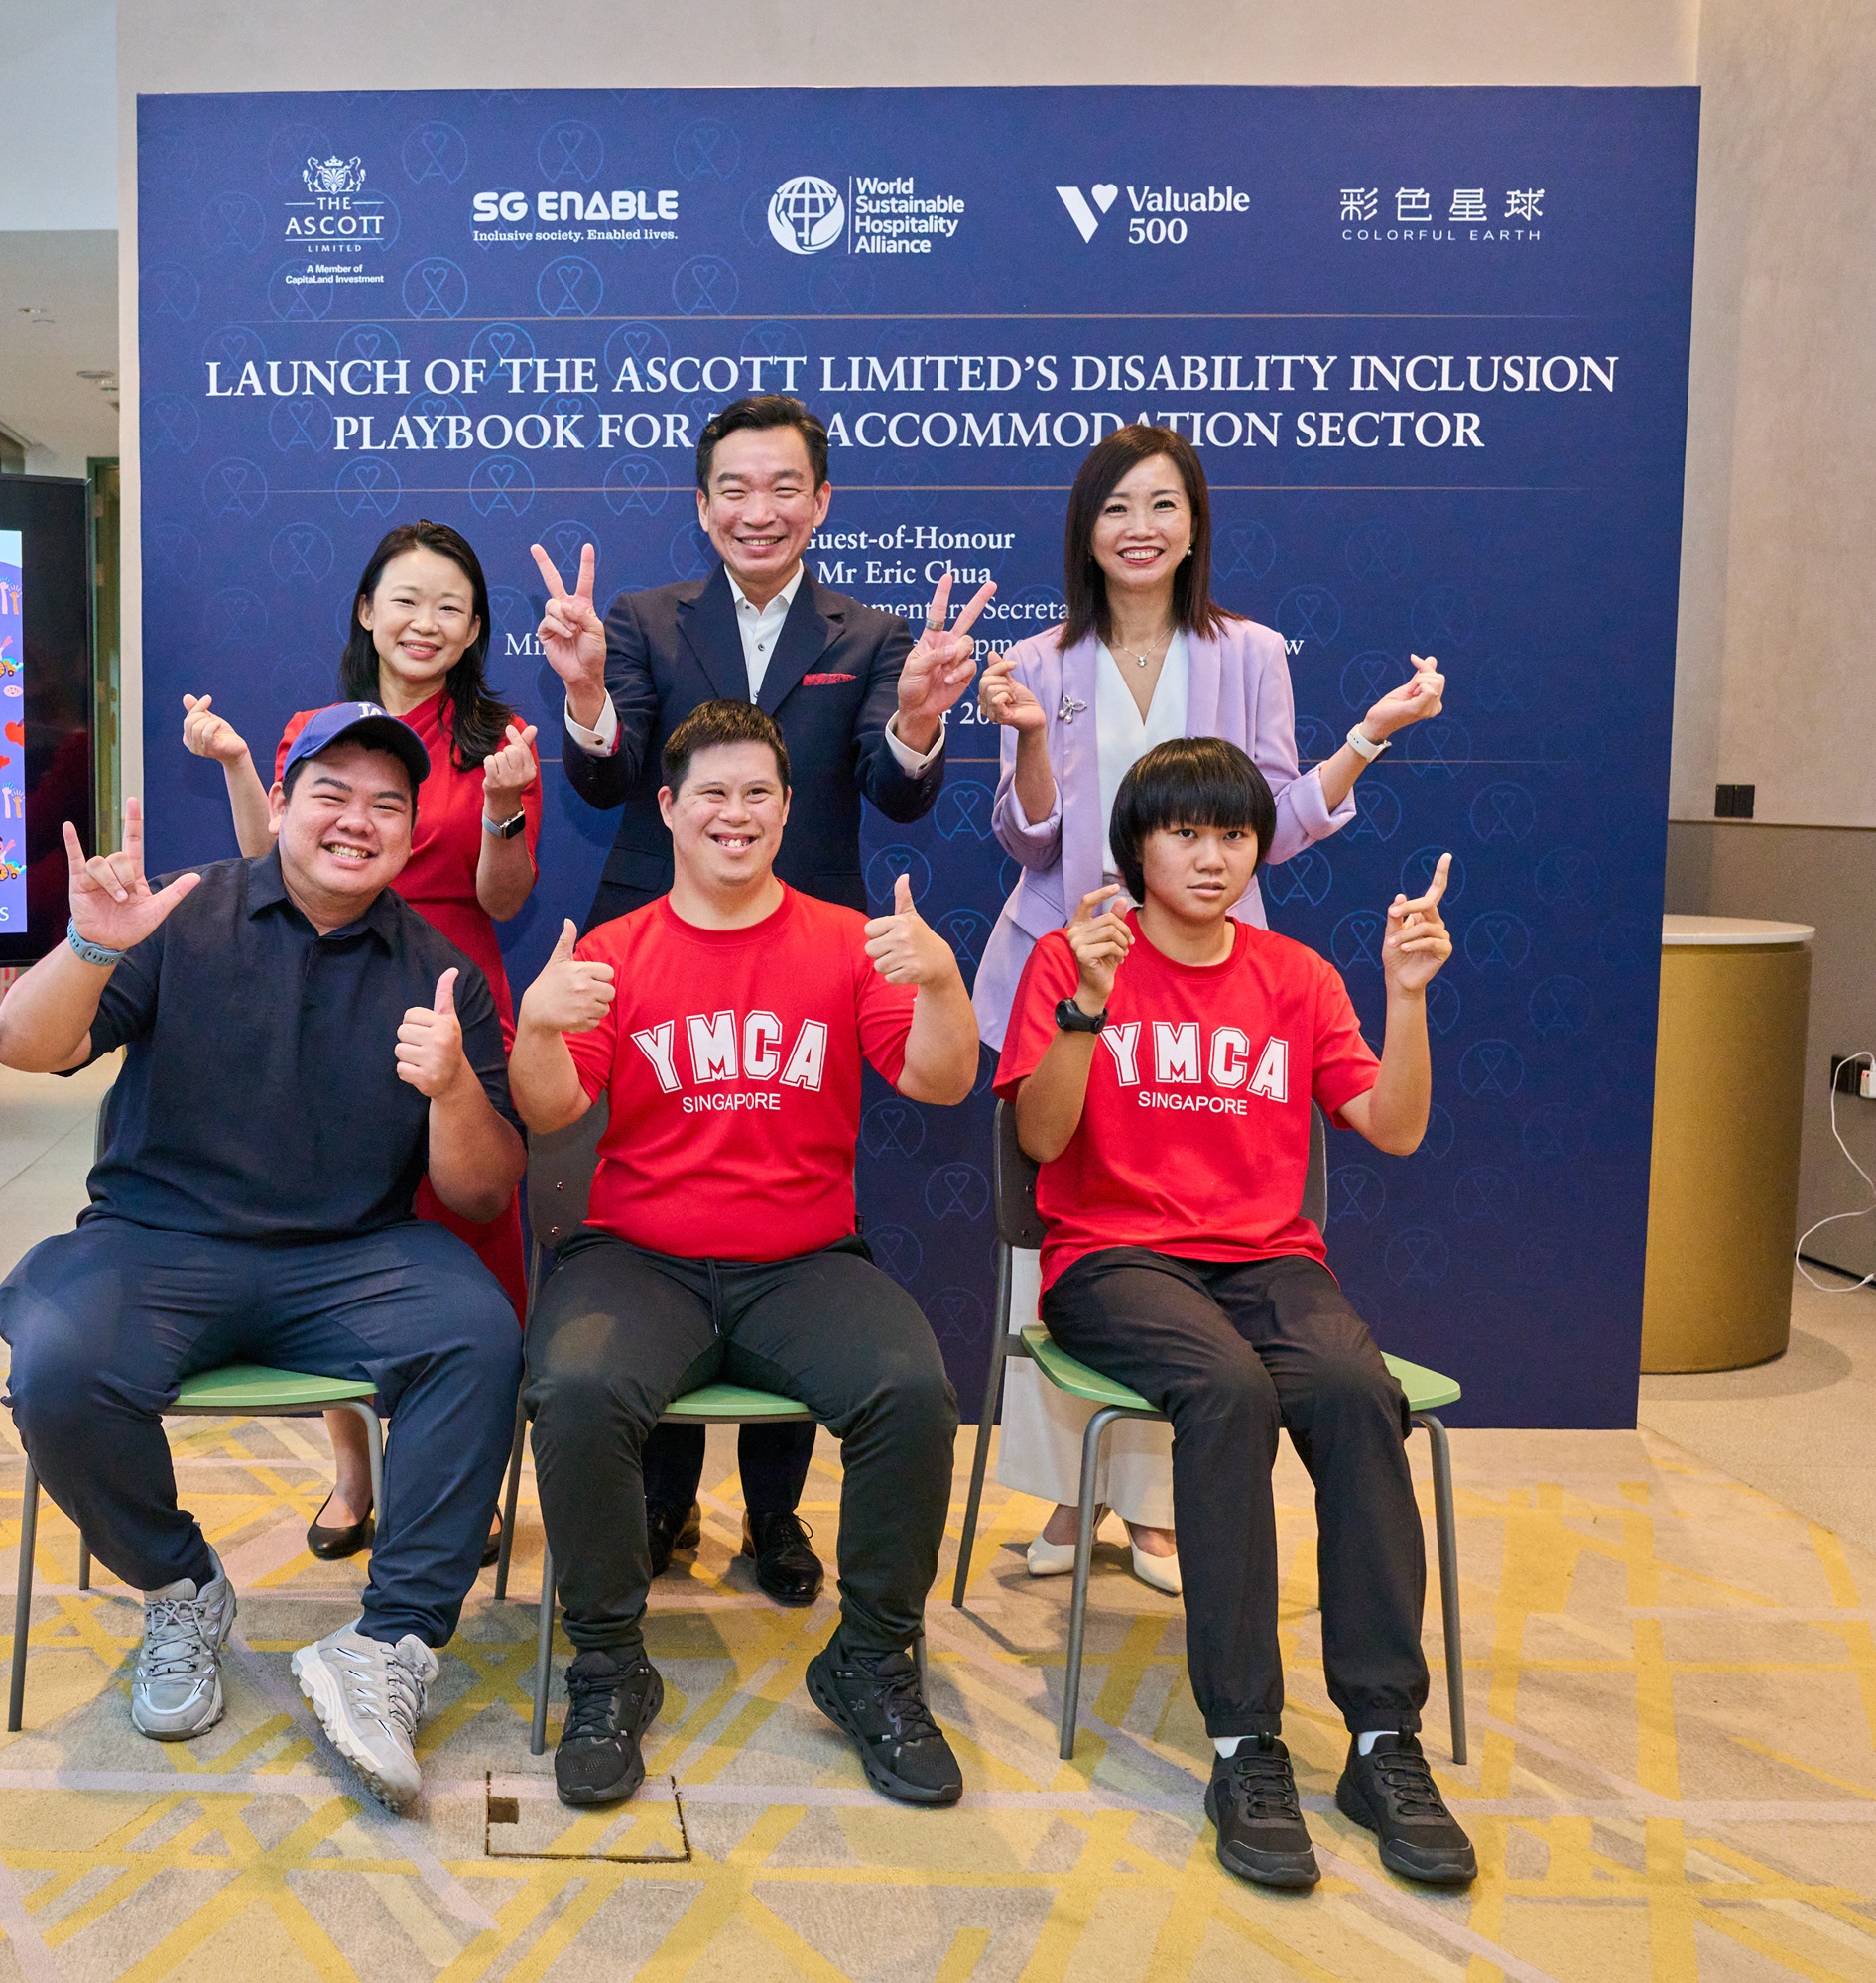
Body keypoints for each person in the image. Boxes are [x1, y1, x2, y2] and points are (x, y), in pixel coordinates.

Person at [0, 709, 527, 1812]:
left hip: (351, 1255)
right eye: (332, 791)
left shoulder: (441, 973)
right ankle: (182, 1585)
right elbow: (22, 1046)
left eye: (388, 804)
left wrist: (456, 1087)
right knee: (57, 1362)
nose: (358, 821)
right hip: (161, 1241)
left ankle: (388, 1644)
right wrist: (94, 947)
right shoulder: (183, 919)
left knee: (478, 1334)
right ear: (279, 803)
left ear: (411, 833)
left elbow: (480, 1192)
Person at [971, 424, 1446, 1594]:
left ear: (1195, 524)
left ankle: (1168, 1514)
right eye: (1117, 506)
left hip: (1210, 982)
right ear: (1084, 528)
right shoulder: (1035, 657)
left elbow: (1268, 817)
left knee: (1204, 1250)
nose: (1140, 526)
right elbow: (1030, 836)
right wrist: (1029, 742)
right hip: (1067, 965)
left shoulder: (1251, 652)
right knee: (1080, 1241)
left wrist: (1365, 741)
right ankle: (1076, 1497)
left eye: (1164, 504)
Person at [532, 392, 988, 1605]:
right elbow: (609, 765)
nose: (759, 509)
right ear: (701, 503)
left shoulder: (875, 631)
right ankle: (665, 1500)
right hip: (662, 937)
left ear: (822, 501)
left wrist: (920, 723)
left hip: (815, 961)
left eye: (785, 486)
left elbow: (894, 790)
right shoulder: (639, 619)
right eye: (734, 487)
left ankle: (779, 1519)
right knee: (662, 1218)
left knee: (793, 1230)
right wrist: (583, 694)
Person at [995, 736, 1472, 1892]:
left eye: (1234, 835)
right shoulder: (1074, 957)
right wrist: (1087, 1010)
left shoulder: (1296, 977)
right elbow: (1041, 1142)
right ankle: (1243, 1741)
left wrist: (1405, 999)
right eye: (1186, 833)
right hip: (1114, 1260)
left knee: (1362, 1390)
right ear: (1138, 847)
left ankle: (1379, 1738)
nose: (1213, 858)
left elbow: (1394, 1126)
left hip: (1267, 1262)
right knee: (1227, 1392)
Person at [508, 699, 978, 1809]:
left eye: (756, 793)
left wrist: (946, 982)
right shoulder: (616, 955)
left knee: (912, 1393)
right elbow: (553, 1107)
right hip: (641, 1254)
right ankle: (610, 1667)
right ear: (668, 809)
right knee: (573, 1388)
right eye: (711, 793)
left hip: (803, 1258)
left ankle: (868, 1662)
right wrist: (535, 1026)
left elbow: (942, 1081)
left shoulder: (844, 942)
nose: (735, 813)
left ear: (786, 807)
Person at [182, 520, 540, 1563]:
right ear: (365, 609)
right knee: (337, 1224)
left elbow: (502, 895)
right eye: (407, 599)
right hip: (329, 991)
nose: (425, 623)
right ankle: (353, 1469)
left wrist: (508, 806)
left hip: (448, 991)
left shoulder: (500, 737)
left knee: (464, 1231)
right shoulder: (320, 723)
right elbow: (268, 856)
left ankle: (454, 1485)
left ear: (474, 629)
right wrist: (248, 762)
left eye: (451, 607)